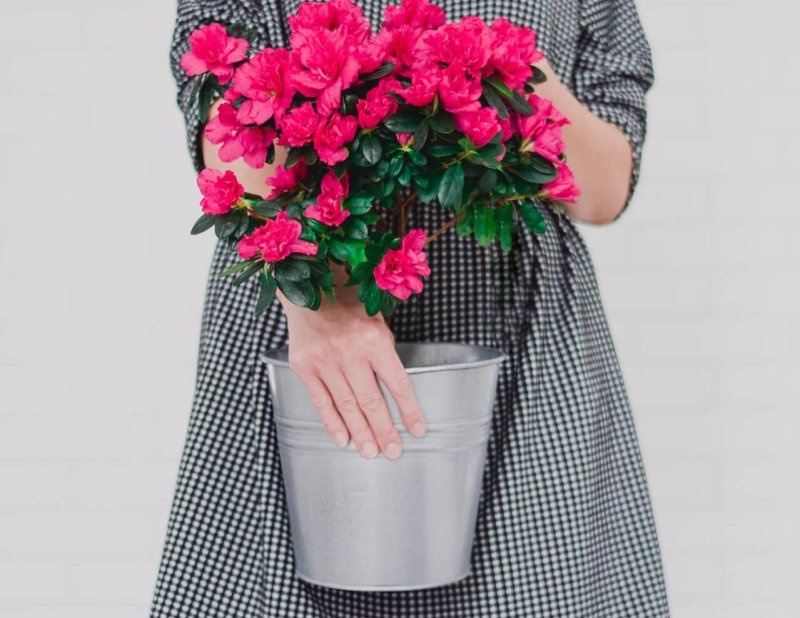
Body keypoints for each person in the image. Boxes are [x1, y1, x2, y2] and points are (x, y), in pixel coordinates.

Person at [152, 0, 670, 615]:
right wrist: (328, 306)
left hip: (519, 340)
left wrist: (509, 73)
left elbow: (606, 190)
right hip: (309, 324)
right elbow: (227, 128)